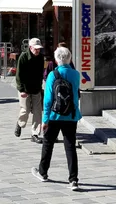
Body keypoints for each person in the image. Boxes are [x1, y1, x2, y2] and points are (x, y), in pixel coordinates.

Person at [32, 46, 82, 191]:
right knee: (70, 147)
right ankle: (73, 180)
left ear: (56, 59)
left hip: (54, 115)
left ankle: (43, 172)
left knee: (48, 144)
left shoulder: (52, 75)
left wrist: (45, 119)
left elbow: (48, 99)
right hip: (71, 115)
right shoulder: (75, 74)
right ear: (69, 59)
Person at [15, 37, 45, 144]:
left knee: (38, 111)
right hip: (25, 88)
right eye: (35, 48)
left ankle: (35, 134)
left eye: (39, 49)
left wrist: (41, 85)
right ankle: (20, 123)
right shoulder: (23, 57)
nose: (37, 50)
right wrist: (22, 90)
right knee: (25, 110)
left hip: (36, 88)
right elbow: (18, 75)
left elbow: (41, 72)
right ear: (30, 47)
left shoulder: (41, 58)